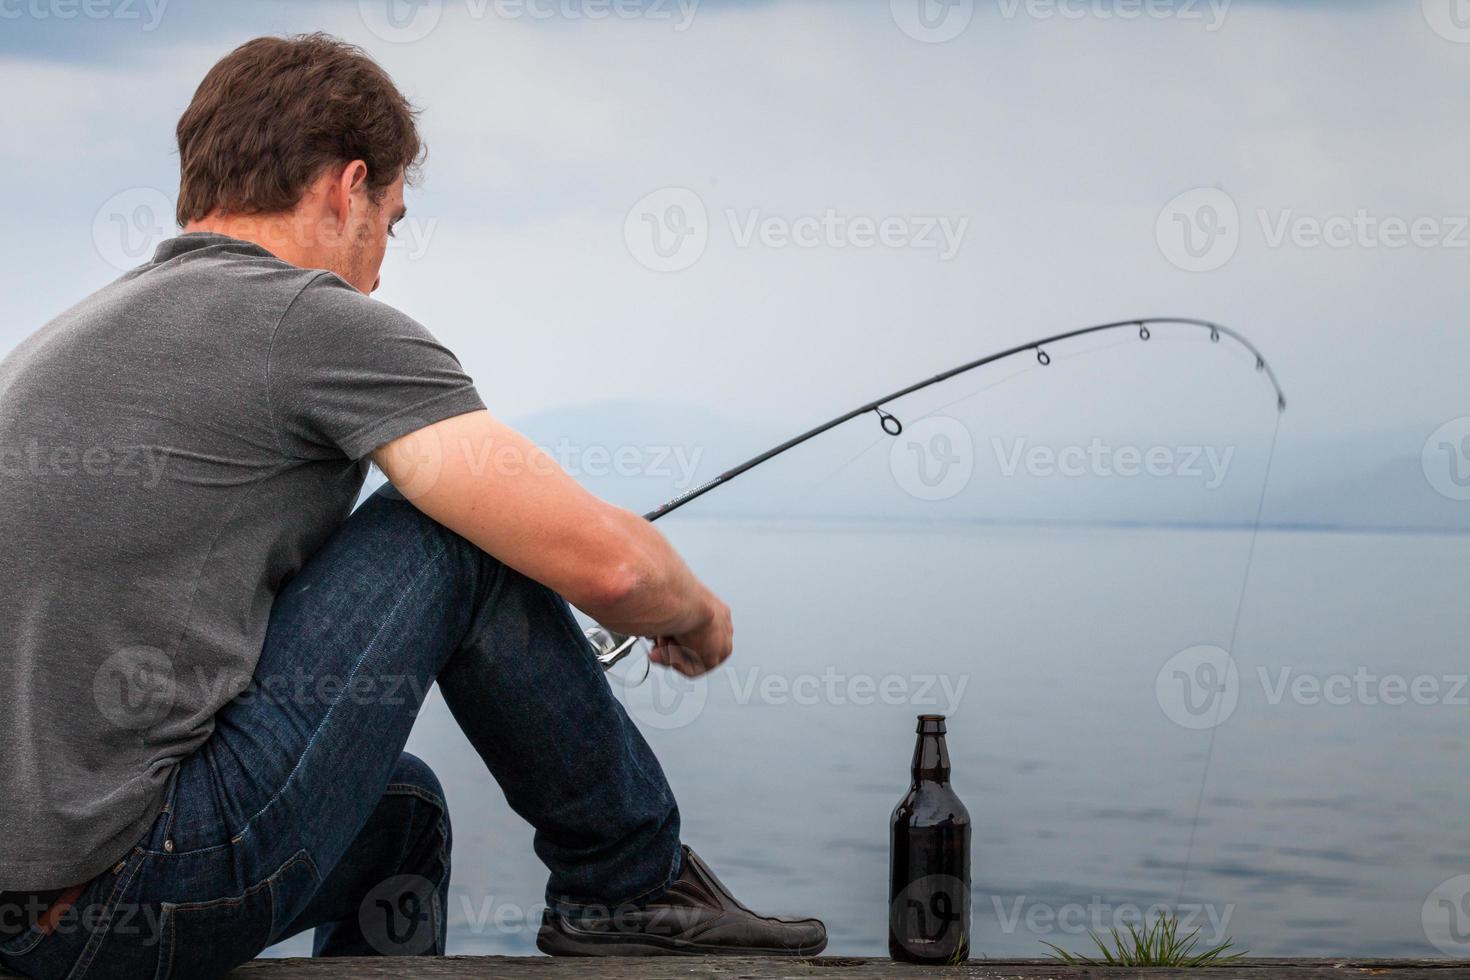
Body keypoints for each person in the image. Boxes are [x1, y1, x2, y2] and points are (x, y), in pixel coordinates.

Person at [0, 32, 826, 980]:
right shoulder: (304, 318)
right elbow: (614, 569)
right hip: (112, 897)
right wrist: (696, 615)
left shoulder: (65, 342)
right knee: (454, 530)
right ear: (347, 189)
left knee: (404, 817)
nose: (383, 267)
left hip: (37, 912)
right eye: (391, 221)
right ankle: (626, 883)